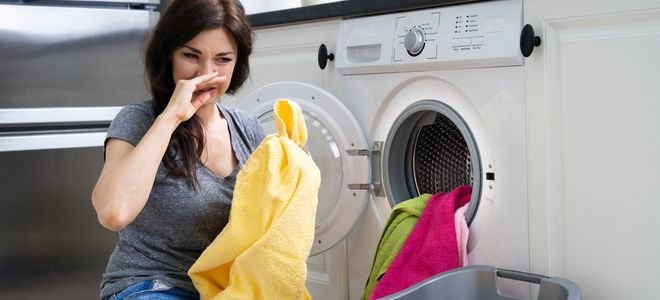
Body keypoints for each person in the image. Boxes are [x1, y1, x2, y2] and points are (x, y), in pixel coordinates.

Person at [91, 0, 265, 299]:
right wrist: (171, 117)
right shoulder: (139, 120)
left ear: (238, 63)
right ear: (168, 55)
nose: (205, 73)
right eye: (191, 55)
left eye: (222, 59)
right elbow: (113, 213)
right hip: (152, 284)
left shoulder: (247, 129)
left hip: (227, 289)